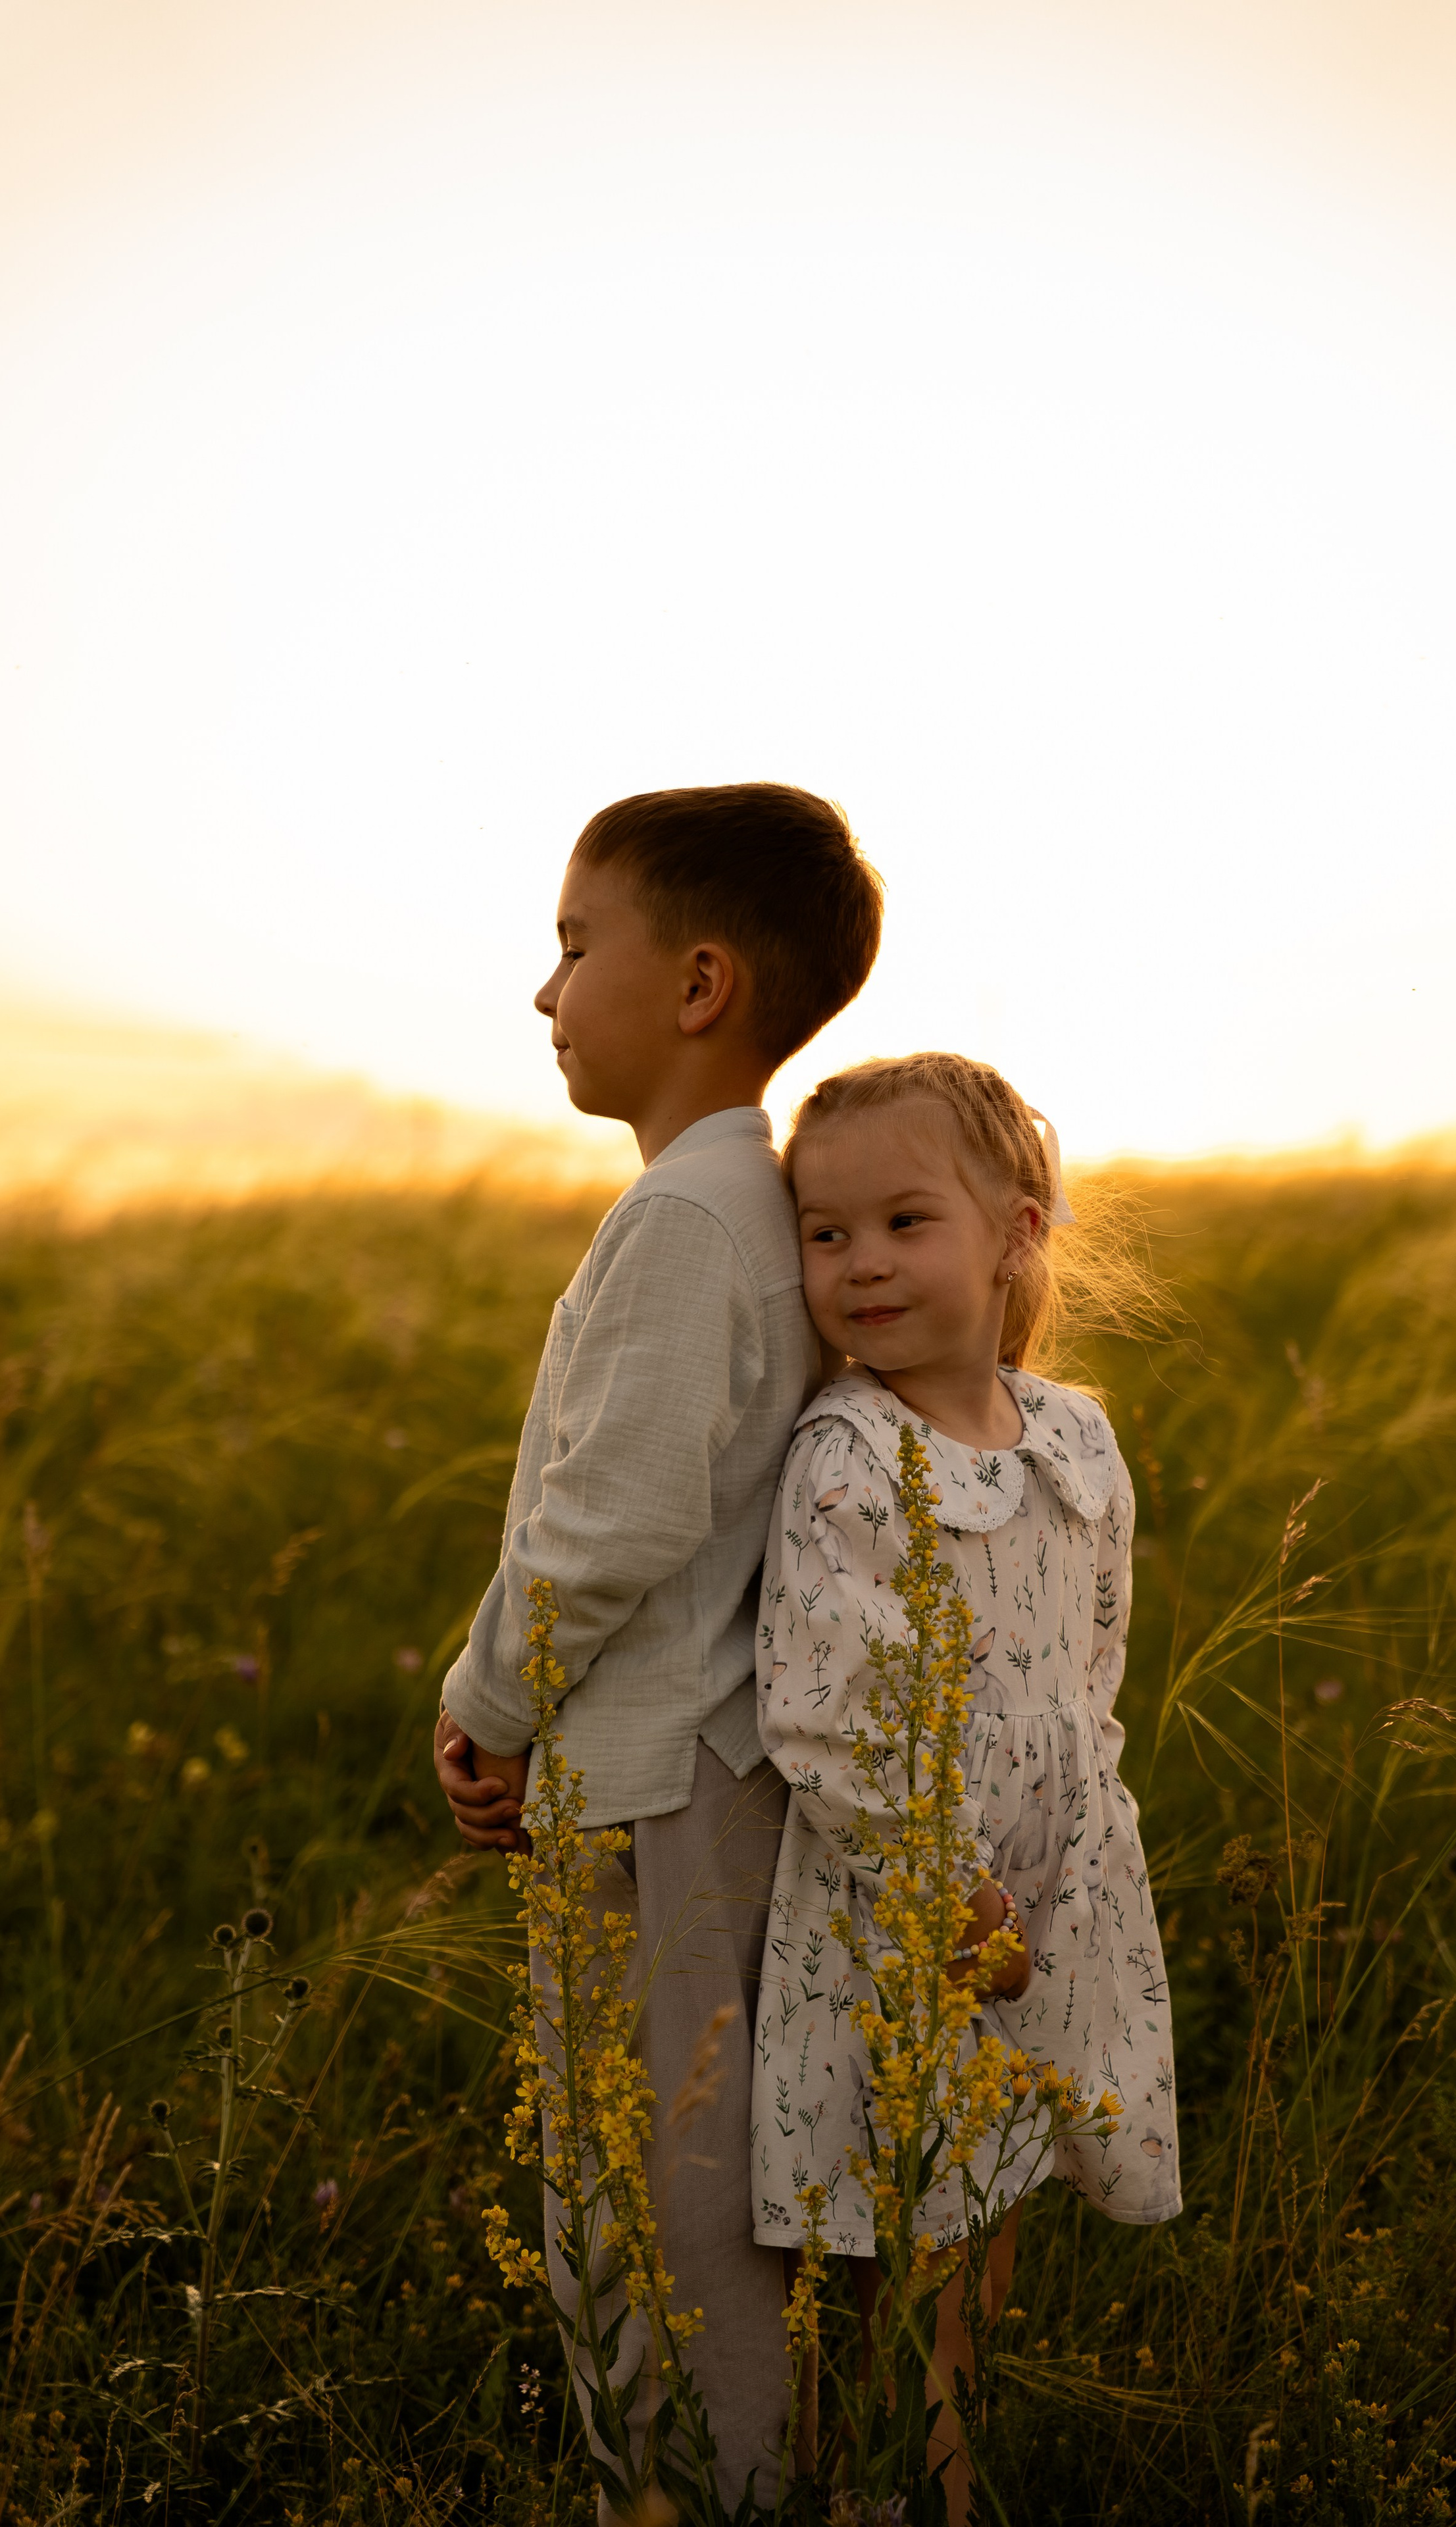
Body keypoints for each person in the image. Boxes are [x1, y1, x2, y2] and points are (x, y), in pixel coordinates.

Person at [432, 782, 883, 2516]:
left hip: (663, 1792)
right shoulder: (714, 1206)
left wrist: (484, 1705)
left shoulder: (693, 1221)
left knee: (666, 2208)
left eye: (570, 946)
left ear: (698, 984)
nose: (545, 993)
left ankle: (701, 2491)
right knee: (642, 2184)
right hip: (656, 1773)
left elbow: (603, 1527)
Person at [750, 1052, 1181, 2526]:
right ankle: (906, 2493)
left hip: (1053, 1891)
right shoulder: (846, 1458)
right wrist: (948, 1890)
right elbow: (820, 1717)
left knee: (990, 2217)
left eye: (903, 1222)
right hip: (915, 1915)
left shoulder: (1072, 1438)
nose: (860, 1263)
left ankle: (940, 2461)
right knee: (900, 2238)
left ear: (1015, 1228)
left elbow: (1090, 1667)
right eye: (824, 1232)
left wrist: (1078, 1861)